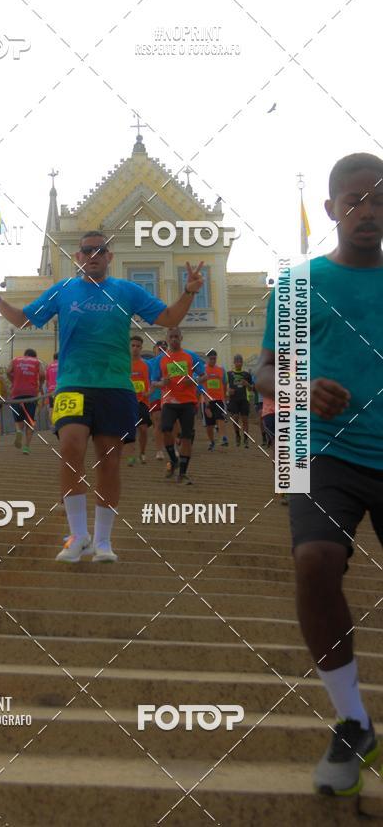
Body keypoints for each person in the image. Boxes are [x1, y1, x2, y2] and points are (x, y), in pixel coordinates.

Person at [255, 152, 383, 797]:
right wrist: (302, 388)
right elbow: (266, 371)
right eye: (355, 200)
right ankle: (352, 720)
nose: (368, 211)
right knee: (313, 561)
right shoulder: (300, 284)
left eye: (379, 200)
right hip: (317, 449)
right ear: (333, 208)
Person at [0, 232, 204, 562]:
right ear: (78, 257)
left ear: (109, 257)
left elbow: (169, 318)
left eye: (100, 250)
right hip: (73, 384)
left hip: (115, 386)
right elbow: (24, 319)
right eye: (87, 250)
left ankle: (103, 541)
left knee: (109, 460)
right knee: (71, 447)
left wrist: (189, 291)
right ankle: (78, 535)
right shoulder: (64, 289)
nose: (93, 255)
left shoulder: (126, 290)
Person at [157, 327, 206, 484]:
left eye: (176, 337)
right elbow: (154, 381)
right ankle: (174, 459)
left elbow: (204, 376)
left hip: (187, 402)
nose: (174, 339)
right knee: (165, 429)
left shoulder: (190, 356)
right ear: (167, 338)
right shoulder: (161, 359)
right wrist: (161, 383)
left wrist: (194, 380)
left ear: (181, 338)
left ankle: (183, 474)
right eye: (171, 337)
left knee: (186, 437)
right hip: (169, 401)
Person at [7, 349, 44, 455]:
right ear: (34, 356)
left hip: (16, 393)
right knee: (30, 421)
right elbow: (42, 375)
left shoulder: (15, 360)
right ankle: (26, 447)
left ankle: (19, 431)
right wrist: (40, 385)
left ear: (25, 354)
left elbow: (8, 371)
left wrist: (13, 381)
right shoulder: (37, 362)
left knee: (18, 419)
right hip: (31, 393)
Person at [123, 335, 151, 466]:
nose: (135, 348)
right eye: (133, 345)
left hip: (142, 402)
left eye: (138, 346)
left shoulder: (145, 365)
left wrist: (148, 392)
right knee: (129, 429)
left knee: (143, 429)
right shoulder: (124, 364)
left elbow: (150, 385)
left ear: (141, 348)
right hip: (127, 402)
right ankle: (130, 456)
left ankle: (142, 453)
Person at [202, 349, 229, 450]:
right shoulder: (202, 370)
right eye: (211, 359)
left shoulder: (221, 370)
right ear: (207, 359)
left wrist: (224, 396)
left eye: (214, 359)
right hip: (206, 400)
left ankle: (223, 438)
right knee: (209, 425)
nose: (213, 361)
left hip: (219, 399)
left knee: (220, 417)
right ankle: (212, 441)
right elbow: (199, 385)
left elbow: (225, 383)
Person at [147, 339, 168, 459]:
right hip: (155, 395)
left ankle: (173, 445)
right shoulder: (149, 363)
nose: (162, 351)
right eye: (160, 349)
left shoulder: (170, 361)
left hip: (169, 396)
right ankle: (159, 450)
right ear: (154, 350)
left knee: (171, 422)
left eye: (164, 349)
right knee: (158, 422)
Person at [227, 354, 253, 448]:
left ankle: (246, 439)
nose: (238, 363)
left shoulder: (247, 374)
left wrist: (247, 384)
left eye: (240, 362)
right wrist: (228, 391)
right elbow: (225, 386)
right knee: (235, 418)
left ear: (242, 363)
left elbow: (251, 389)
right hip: (233, 400)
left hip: (244, 399)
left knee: (245, 420)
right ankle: (237, 435)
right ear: (234, 362)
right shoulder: (229, 374)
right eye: (237, 361)